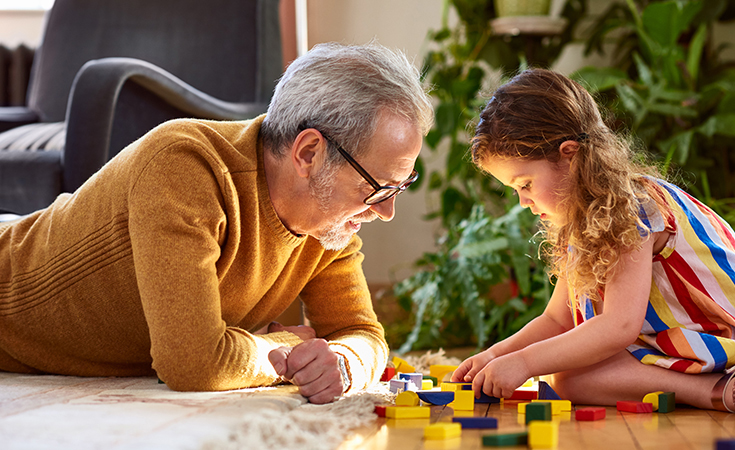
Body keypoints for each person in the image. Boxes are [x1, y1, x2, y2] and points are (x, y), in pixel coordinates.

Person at [0, 42, 434, 404]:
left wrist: (343, 361)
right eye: (378, 187)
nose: (385, 210)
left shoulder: (328, 224)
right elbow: (193, 363)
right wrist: (287, 346)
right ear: (308, 153)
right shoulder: (184, 166)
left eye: (399, 187)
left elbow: (362, 333)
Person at [453, 68, 735, 412]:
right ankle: (708, 386)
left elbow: (619, 326)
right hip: (682, 345)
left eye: (525, 184)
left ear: (569, 156)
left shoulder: (632, 207)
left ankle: (715, 390)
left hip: (721, 335)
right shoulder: (581, 219)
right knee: (569, 378)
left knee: (569, 374)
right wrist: (497, 354)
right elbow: (558, 319)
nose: (523, 202)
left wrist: (525, 363)